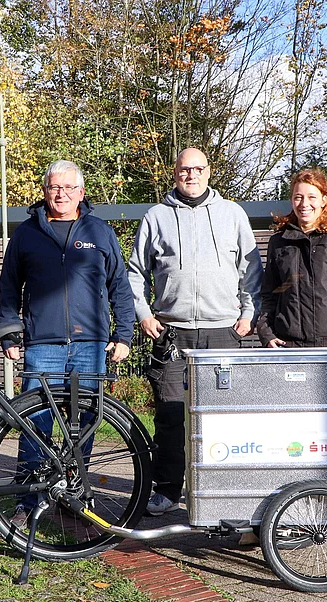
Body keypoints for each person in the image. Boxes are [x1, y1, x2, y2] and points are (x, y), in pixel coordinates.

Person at [0, 159, 135, 525]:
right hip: (42, 344)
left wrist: (124, 333)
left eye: (69, 188)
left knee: (85, 421)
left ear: (81, 193)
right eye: (55, 188)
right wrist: (11, 333)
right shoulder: (27, 233)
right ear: (45, 191)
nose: (61, 194)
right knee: (35, 421)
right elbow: (9, 285)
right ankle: (27, 500)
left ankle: (73, 494)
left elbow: (119, 286)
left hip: (90, 345)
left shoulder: (101, 232)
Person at [128, 148, 263, 516]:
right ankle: (168, 490)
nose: (191, 175)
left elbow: (251, 272)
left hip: (223, 333)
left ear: (209, 172)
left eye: (198, 169)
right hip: (172, 333)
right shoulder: (156, 217)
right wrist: (143, 315)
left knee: (225, 416)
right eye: (184, 169)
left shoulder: (232, 214)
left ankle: (225, 490)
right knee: (170, 417)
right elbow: (135, 274)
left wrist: (249, 315)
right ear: (175, 173)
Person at [255, 168, 327, 348]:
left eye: (312, 197)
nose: (304, 203)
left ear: (324, 201)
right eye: (298, 197)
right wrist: (266, 333)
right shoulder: (278, 242)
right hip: (287, 345)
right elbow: (269, 294)